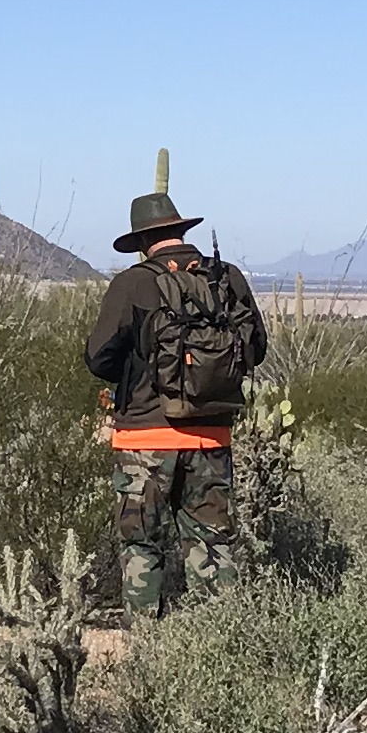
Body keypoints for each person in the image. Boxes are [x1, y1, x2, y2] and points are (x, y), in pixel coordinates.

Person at [84, 189, 268, 617]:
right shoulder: (227, 277)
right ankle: (216, 644)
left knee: (142, 546)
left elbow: (98, 357)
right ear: (181, 230)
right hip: (211, 435)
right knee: (212, 546)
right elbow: (255, 348)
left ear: (143, 242)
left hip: (144, 440)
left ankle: (148, 648)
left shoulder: (132, 283)